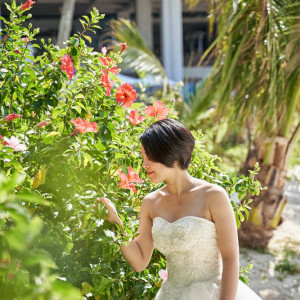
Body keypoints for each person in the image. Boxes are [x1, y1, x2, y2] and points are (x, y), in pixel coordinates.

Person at [98, 118, 262, 300]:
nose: (144, 165)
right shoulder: (150, 202)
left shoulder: (214, 195)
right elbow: (139, 261)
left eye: (150, 157)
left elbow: (230, 259)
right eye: (143, 157)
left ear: (173, 156)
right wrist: (116, 223)